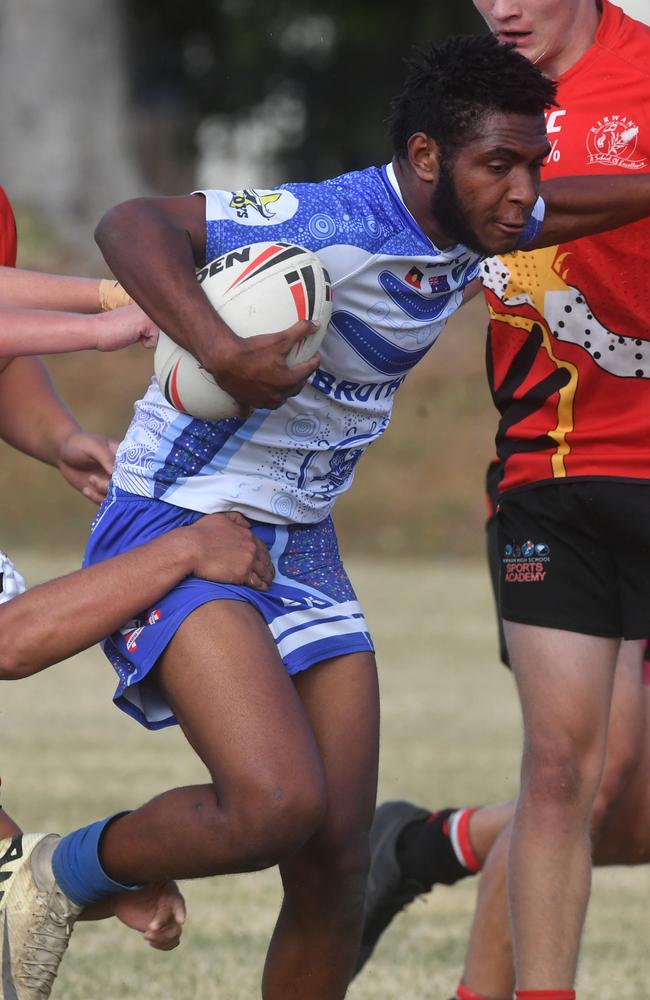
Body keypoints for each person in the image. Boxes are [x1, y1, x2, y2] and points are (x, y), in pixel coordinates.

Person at [7, 32, 650, 1000]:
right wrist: (221, 352)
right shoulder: (334, 217)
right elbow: (134, 223)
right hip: (178, 520)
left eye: (532, 166)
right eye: (498, 167)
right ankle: (60, 874)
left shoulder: (480, 219)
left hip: (299, 544)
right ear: (425, 157)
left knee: (336, 864)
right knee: (273, 805)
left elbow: (575, 203)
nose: (523, 192)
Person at [355, 3, 650, 998]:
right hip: (549, 475)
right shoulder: (470, 103)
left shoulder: (642, 70)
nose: (503, 6)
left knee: (624, 808)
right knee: (571, 773)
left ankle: (422, 845)